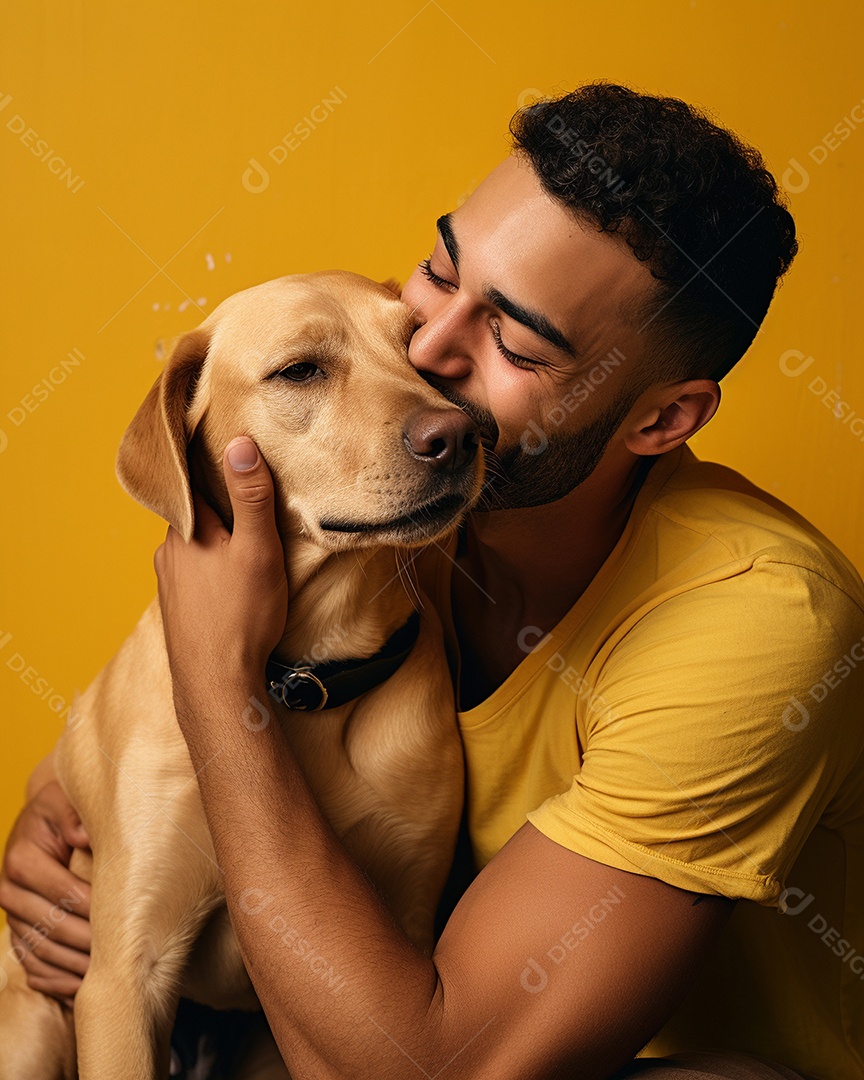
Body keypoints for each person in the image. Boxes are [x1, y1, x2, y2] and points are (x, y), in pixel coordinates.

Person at [2, 82, 861, 1080]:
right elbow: (119, 755)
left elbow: (440, 1067)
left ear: (660, 421)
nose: (426, 356)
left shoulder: (758, 624)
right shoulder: (399, 509)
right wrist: (52, 833)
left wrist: (216, 685)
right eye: (439, 271)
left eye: (516, 342)